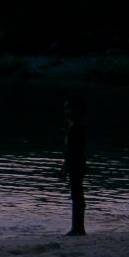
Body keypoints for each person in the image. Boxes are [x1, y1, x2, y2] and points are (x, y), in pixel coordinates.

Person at [60, 96, 87, 236]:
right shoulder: (73, 126)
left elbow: (74, 151)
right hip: (76, 164)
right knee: (76, 195)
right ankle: (77, 227)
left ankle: (78, 228)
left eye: (69, 108)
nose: (66, 111)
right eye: (66, 108)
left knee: (77, 196)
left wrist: (66, 168)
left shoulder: (76, 128)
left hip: (76, 164)